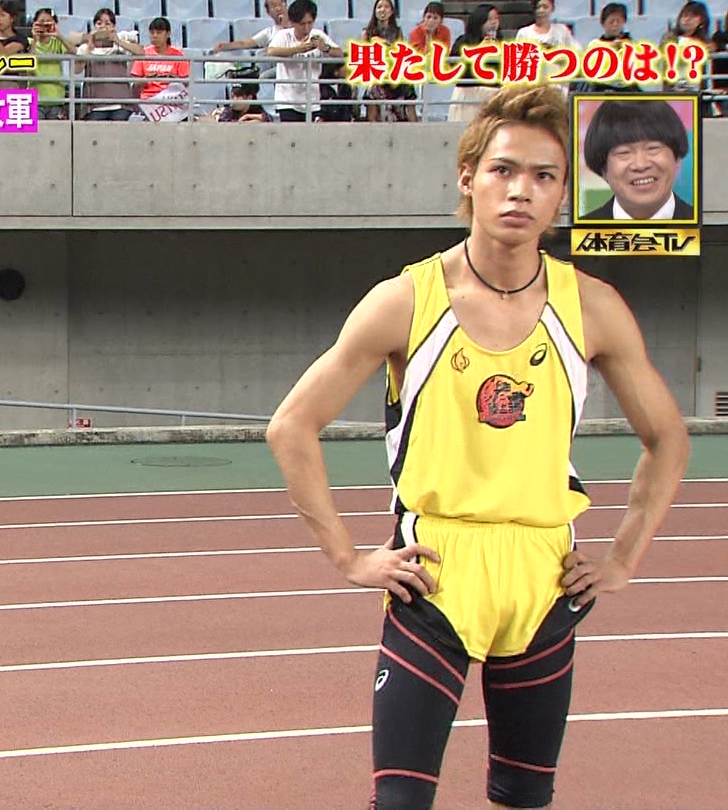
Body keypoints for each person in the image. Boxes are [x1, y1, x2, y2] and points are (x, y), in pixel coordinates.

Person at [265, 84, 690, 810]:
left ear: (563, 193)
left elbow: (667, 437)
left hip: (543, 578)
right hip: (436, 576)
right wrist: (349, 558)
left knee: (524, 799)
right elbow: (291, 425)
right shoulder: (407, 299)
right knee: (400, 803)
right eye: (503, 170)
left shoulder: (591, 306)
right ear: (468, 178)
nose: (521, 190)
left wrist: (622, 560)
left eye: (544, 176)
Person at [580, 99, 694, 220]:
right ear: (603, 169)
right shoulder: (578, 230)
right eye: (624, 152)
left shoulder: (705, 226)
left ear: (677, 158)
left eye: (653, 148)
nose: (640, 165)